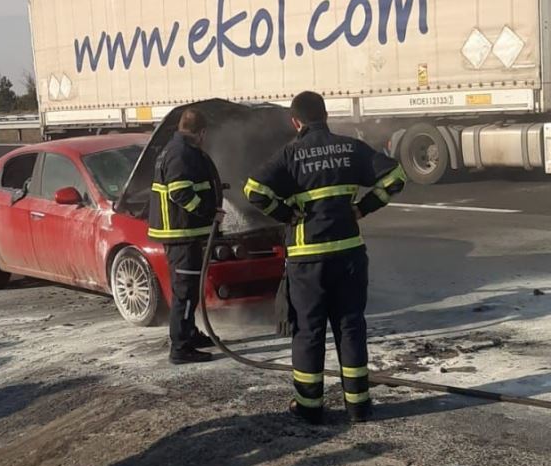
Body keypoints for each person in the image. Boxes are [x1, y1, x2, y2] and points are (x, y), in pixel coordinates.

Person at [244, 90, 405, 422]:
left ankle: (309, 408)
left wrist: (286, 213)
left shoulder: (290, 154)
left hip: (307, 261)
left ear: (296, 121)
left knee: (308, 331)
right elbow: (395, 177)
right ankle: (359, 406)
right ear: (326, 115)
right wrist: (363, 208)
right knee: (350, 327)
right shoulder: (351, 148)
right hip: (348, 253)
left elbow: (254, 190)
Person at [148, 107, 223, 364]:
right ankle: (181, 347)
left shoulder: (177, 149)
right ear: (201, 132)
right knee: (185, 291)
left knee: (189, 289)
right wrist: (208, 212)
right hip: (182, 233)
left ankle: (189, 333)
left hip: (184, 233)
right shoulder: (181, 154)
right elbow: (180, 192)